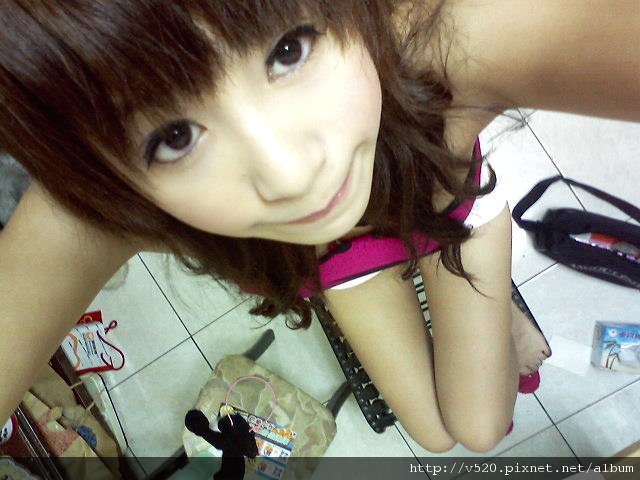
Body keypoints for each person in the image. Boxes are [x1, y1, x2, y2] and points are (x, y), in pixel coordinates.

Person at [0, 0, 637, 454]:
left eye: (289, 49)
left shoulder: (442, 37)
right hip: (340, 257)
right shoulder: (113, 195)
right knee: (443, 435)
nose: (291, 174)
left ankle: (490, 282)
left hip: (441, 209)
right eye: (174, 138)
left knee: (481, 423)